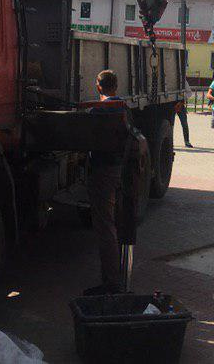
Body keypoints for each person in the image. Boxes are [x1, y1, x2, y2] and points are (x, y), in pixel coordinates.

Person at [86, 69, 125, 294]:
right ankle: (115, 278)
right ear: (116, 86)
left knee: (105, 227)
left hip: (103, 171)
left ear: (98, 87)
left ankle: (112, 283)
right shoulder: (122, 107)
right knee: (114, 224)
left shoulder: (98, 111)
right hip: (118, 169)